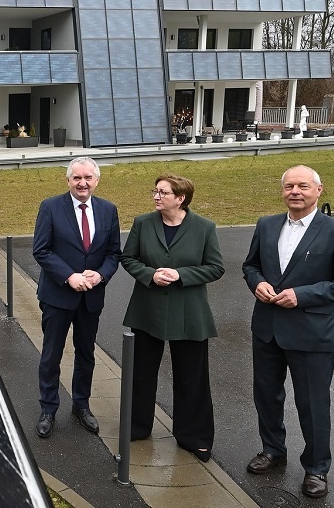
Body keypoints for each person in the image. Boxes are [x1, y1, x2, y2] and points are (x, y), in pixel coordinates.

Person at [243, 165, 334, 499]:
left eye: (303, 186)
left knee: (313, 404)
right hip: (267, 329)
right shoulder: (267, 225)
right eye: (289, 186)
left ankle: (316, 468)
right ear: (282, 191)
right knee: (267, 395)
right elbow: (250, 265)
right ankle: (272, 449)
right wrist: (258, 283)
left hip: (313, 334)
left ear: (318, 190)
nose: (295, 192)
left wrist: (303, 295)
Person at [120, 175, 224, 461]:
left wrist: (181, 275)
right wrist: (150, 274)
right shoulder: (143, 223)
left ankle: (195, 436)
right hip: (147, 310)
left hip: (189, 314)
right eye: (155, 191)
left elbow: (215, 268)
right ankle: (137, 426)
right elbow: (128, 259)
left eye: (163, 193)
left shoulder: (204, 228)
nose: (156, 196)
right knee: (140, 373)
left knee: (192, 377)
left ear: (181, 198)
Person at [31, 156, 121, 438]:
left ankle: (81, 405)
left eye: (88, 178)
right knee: (51, 354)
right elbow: (41, 250)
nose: (82, 183)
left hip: (91, 298)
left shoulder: (108, 210)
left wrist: (101, 275)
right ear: (68, 180)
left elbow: (113, 253)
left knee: (86, 353)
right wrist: (70, 276)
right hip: (58, 295)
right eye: (77, 178)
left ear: (96, 180)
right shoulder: (50, 207)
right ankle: (48, 408)